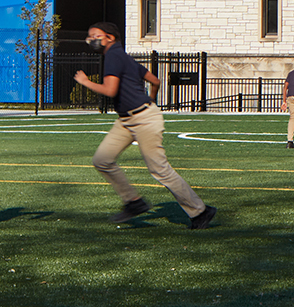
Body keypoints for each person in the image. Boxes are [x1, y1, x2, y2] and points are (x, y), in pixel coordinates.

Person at [76, 22, 216, 228]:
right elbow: (155, 81)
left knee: (160, 170)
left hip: (143, 120)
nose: (91, 40)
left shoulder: (114, 55)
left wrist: (85, 82)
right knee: (102, 160)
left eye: (96, 35)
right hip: (126, 119)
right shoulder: (124, 57)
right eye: (90, 37)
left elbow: (110, 90)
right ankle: (134, 202)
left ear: (110, 38)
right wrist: (150, 100)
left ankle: (200, 211)